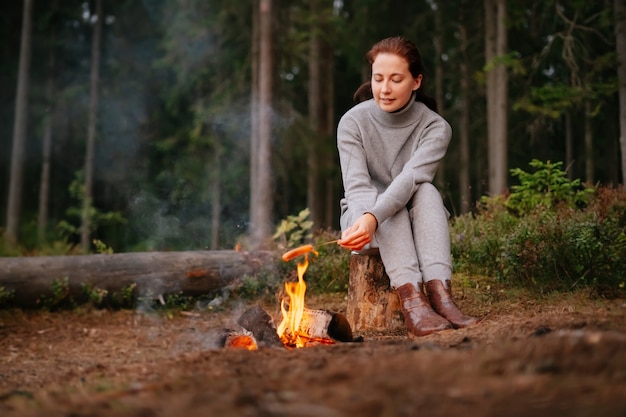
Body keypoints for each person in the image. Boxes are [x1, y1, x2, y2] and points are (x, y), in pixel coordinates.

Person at [336, 36, 477, 337]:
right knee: (389, 204)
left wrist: (378, 213)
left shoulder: (435, 127)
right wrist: (368, 219)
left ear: (416, 81)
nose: (384, 89)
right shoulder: (352, 122)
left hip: (415, 220)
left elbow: (411, 178)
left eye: (396, 79)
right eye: (378, 78)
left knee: (425, 190)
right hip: (363, 220)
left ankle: (442, 296)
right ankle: (413, 302)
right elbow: (358, 187)